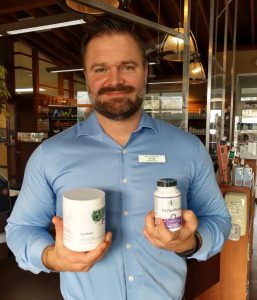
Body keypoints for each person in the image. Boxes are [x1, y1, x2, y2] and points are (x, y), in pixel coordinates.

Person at [6, 17, 231, 300]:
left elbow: (218, 219)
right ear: (86, 76)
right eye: (101, 69)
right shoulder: (49, 155)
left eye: (127, 66)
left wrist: (192, 242)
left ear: (144, 73)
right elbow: (21, 228)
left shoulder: (189, 149)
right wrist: (51, 256)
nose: (115, 80)